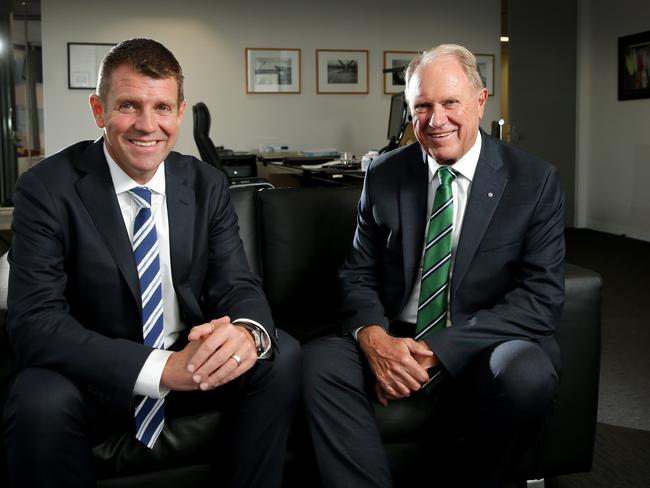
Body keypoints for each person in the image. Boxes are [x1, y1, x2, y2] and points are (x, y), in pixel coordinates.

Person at [2, 38, 300, 488]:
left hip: (192, 362)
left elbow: (236, 282)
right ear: (99, 111)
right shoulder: (46, 189)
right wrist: (161, 370)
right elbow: (34, 322)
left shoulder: (205, 184)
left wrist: (245, 332)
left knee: (279, 354)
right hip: (97, 376)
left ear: (180, 113)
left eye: (162, 107)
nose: (147, 125)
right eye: (128, 106)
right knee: (36, 400)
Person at [302, 44, 565, 488]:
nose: (435, 119)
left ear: (480, 102)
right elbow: (358, 272)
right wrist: (375, 338)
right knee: (316, 363)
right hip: (395, 335)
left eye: (449, 103)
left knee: (528, 373)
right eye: (422, 106)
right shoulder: (385, 173)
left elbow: (541, 299)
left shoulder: (533, 181)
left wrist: (439, 350)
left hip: (482, 336)